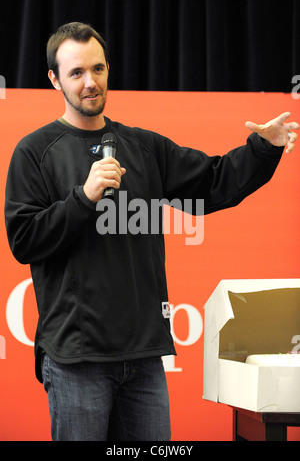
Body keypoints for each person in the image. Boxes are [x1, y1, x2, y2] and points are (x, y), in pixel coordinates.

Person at [4, 22, 299, 441]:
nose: (91, 82)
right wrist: (83, 198)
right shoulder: (34, 152)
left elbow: (214, 182)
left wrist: (263, 147)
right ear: (54, 79)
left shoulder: (144, 148)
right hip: (76, 360)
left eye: (98, 69)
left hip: (143, 360)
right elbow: (24, 239)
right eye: (76, 73)